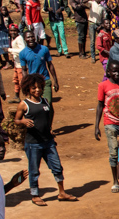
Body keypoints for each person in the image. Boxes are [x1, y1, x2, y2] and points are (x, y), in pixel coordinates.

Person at [16, 75, 75, 205]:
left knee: (57, 167)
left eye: (39, 87)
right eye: (34, 88)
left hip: (48, 142)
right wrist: (23, 121)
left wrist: (49, 130)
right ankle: (35, 195)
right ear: (28, 89)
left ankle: (62, 192)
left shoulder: (46, 102)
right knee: (34, 170)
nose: (37, 90)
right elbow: (16, 120)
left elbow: (47, 118)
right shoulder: (24, 104)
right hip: (33, 144)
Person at [94, 62, 119, 191]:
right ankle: (116, 180)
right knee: (114, 151)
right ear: (108, 72)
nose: (116, 74)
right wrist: (96, 126)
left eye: (118, 71)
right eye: (113, 71)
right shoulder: (103, 85)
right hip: (110, 123)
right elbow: (100, 106)